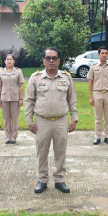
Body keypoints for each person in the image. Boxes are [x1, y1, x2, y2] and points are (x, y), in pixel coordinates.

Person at [24, 47, 78, 194]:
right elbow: (28, 100)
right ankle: (42, 180)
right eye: (48, 58)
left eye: (54, 58)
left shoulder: (66, 77)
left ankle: (59, 180)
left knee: (61, 151)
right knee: (42, 151)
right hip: (42, 121)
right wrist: (29, 121)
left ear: (59, 60)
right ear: (43, 60)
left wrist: (74, 118)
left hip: (62, 120)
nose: (51, 61)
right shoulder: (36, 78)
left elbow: (72, 99)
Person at [87, 46, 108, 145]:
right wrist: (91, 97)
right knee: (98, 118)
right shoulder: (93, 66)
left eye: (106, 53)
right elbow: (90, 82)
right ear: (98, 54)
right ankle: (97, 137)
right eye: (102, 53)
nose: (104, 55)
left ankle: (107, 136)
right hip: (97, 94)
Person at [0, 54, 25, 144]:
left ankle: (14, 136)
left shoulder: (18, 71)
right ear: (4, 61)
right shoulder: (1, 72)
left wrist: (21, 99)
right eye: (7, 59)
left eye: (11, 59)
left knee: (15, 118)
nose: (9, 61)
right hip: (4, 98)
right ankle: (8, 136)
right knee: (6, 118)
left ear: (14, 61)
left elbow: (21, 86)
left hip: (15, 98)